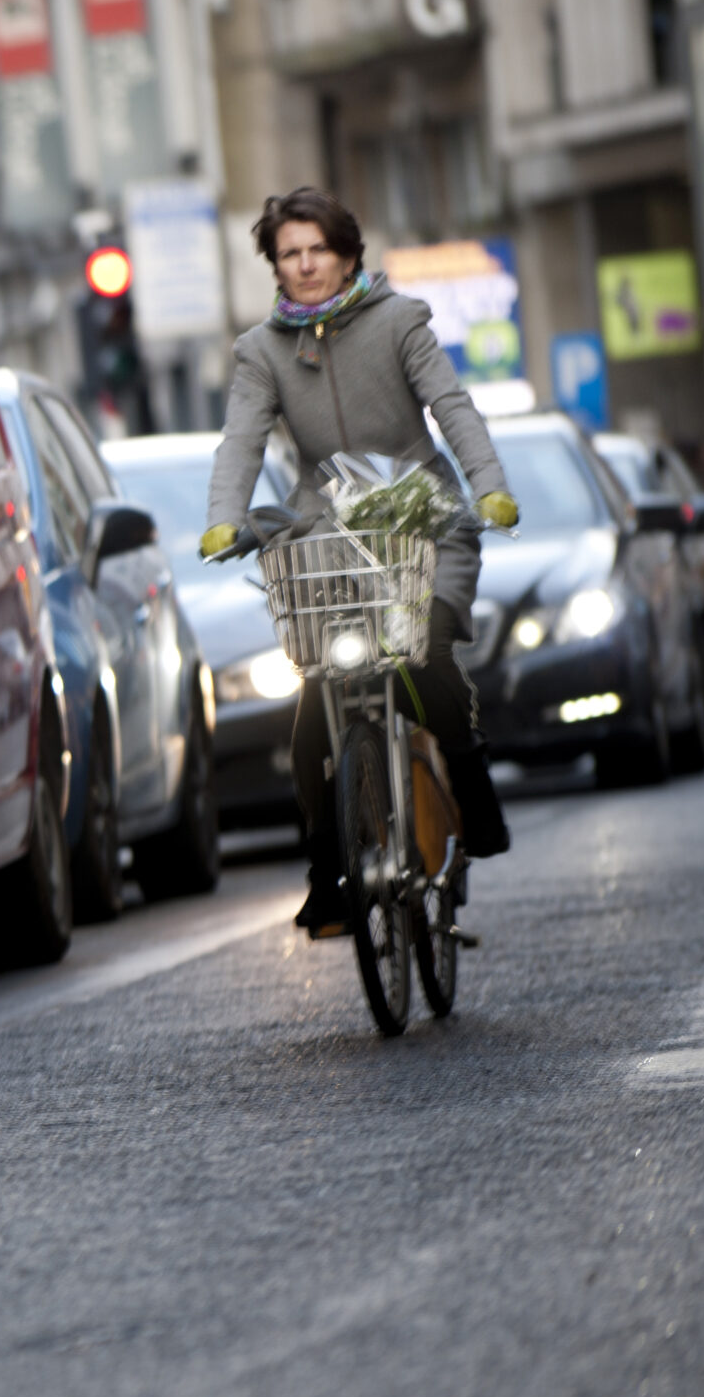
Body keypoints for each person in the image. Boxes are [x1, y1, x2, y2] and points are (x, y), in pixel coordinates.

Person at [200, 187, 517, 937]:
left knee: (428, 644)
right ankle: (325, 869)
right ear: (275, 266)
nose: (305, 265)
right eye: (289, 254)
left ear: (346, 256)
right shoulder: (260, 351)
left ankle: (467, 770)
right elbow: (241, 439)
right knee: (316, 708)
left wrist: (490, 489)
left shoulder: (401, 320)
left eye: (318, 250)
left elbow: (452, 406)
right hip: (328, 530)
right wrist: (222, 520)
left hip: (422, 517)